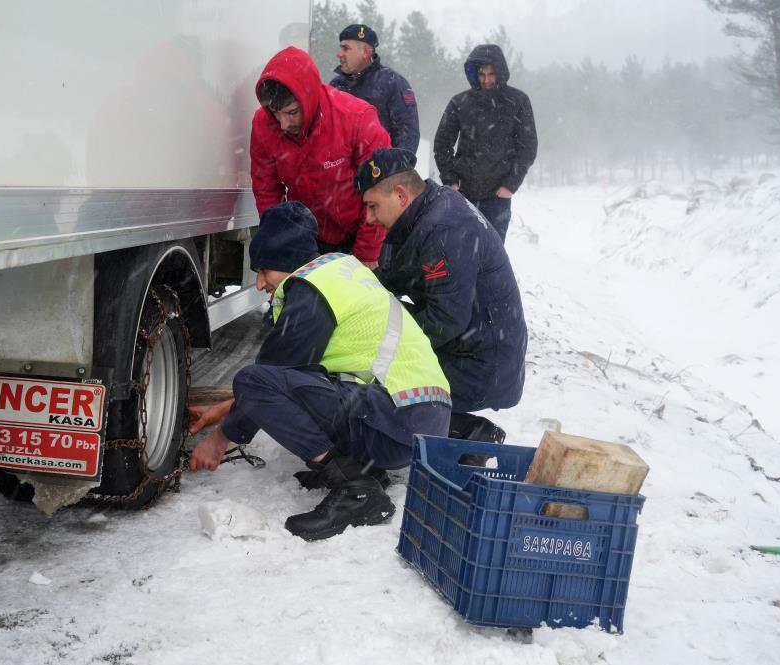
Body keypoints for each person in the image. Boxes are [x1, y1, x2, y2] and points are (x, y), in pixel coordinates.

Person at [187, 201, 451, 541]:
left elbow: (266, 381)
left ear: (285, 262)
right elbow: (296, 376)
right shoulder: (339, 271)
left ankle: (356, 488)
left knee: (252, 380)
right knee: (309, 381)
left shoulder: (312, 292)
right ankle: (365, 470)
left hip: (398, 419)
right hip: (419, 418)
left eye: (264, 270)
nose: (260, 283)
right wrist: (224, 411)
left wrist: (221, 437)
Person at [355, 148, 527, 442]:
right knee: (375, 326)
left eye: (373, 206)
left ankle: (466, 433)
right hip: (475, 349)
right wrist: (354, 287)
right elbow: (401, 273)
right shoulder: (431, 209)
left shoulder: (445, 229)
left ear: (400, 195)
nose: (369, 219)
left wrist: (379, 353)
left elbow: (444, 320)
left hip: (482, 367)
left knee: (372, 383)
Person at [250, 46, 391, 268]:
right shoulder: (263, 125)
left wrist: (366, 254)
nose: (283, 124)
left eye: (291, 112)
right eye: (276, 115)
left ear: (308, 98)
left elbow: (381, 190)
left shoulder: (356, 118)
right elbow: (267, 192)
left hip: (359, 235)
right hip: (307, 238)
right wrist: (279, 248)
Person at [433, 44, 538, 243]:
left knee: (493, 257)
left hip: (498, 197)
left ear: (501, 72)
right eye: (481, 74)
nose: (487, 80)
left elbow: (528, 147)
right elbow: (442, 144)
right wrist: (451, 182)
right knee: (460, 252)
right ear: (474, 74)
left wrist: (510, 185)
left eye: (491, 74)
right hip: (463, 194)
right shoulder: (460, 102)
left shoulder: (518, 101)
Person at [330, 24, 420, 154]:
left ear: (365, 52)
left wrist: (395, 169)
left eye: (346, 48)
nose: (339, 54)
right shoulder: (335, 86)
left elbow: (407, 133)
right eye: (340, 48)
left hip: (379, 171)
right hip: (340, 172)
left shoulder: (392, 83)